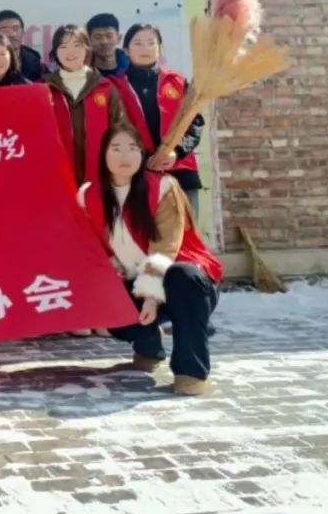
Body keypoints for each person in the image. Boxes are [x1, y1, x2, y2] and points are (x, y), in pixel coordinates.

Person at [79, 123, 223, 396]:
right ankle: (148, 343)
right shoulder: (90, 196)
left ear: (143, 154)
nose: (125, 156)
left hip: (182, 280)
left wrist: (150, 298)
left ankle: (191, 372)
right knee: (117, 317)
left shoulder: (163, 187)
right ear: (103, 155)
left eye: (132, 148)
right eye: (116, 148)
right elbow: (93, 249)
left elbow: (165, 248)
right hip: (133, 277)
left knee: (183, 277)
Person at [123, 24, 206, 216]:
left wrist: (176, 152)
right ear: (126, 50)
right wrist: (143, 160)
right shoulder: (116, 87)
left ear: (160, 48)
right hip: (137, 175)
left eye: (151, 43)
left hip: (180, 171)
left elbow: (195, 122)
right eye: (138, 43)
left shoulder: (177, 82)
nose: (145, 48)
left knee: (187, 230)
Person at [42, 25, 132, 187]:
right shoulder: (44, 88)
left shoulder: (104, 87)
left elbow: (121, 129)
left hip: (100, 177)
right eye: (63, 47)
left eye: (77, 45)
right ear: (55, 52)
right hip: (56, 179)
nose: (70, 52)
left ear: (87, 48)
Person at [0, 9, 45, 82]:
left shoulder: (35, 61)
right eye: (5, 30)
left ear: (23, 32)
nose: (12, 34)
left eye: (16, 29)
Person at [87, 13, 130, 79]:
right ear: (89, 41)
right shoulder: (83, 75)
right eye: (98, 37)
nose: (104, 42)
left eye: (109, 36)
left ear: (119, 38)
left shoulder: (132, 69)